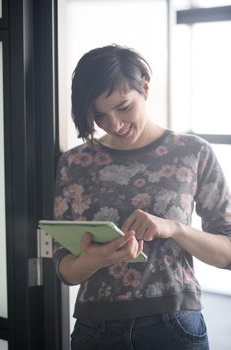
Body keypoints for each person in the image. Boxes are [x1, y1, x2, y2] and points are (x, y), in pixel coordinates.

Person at [53, 44, 231, 350]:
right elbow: (64, 268)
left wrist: (174, 228)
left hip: (175, 324)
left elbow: (227, 252)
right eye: (99, 115)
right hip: (95, 328)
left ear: (144, 87)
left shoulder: (193, 152)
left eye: (123, 107)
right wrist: (93, 260)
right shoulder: (75, 163)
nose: (114, 124)